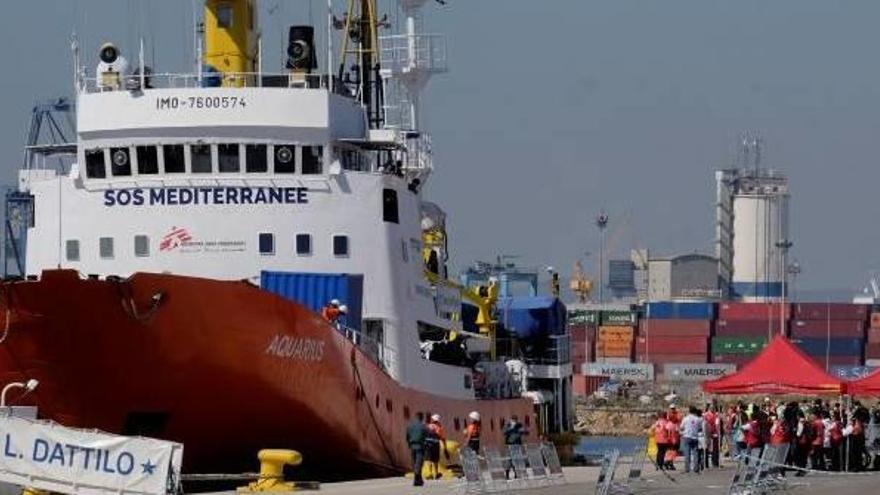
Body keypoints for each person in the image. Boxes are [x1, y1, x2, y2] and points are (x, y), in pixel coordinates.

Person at [407, 412, 428, 486]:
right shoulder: (424, 426)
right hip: (420, 446)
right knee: (419, 463)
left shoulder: (410, 426)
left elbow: (407, 436)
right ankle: (417, 479)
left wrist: (409, 444)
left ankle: (419, 479)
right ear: (422, 418)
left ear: (416, 417)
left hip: (412, 446)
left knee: (414, 462)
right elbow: (427, 437)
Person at [680, 406, 702, 474]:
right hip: (695, 437)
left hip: (687, 436)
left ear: (689, 411)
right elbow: (700, 428)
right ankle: (696, 468)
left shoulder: (685, 418)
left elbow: (681, 427)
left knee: (687, 453)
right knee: (695, 453)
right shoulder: (698, 419)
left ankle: (687, 468)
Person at [425, 414, 447, 480]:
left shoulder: (428, 426)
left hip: (428, 445)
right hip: (436, 445)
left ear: (432, 420)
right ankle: (436, 474)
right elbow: (443, 439)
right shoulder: (440, 428)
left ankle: (430, 474)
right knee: (435, 460)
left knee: (429, 459)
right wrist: (445, 448)